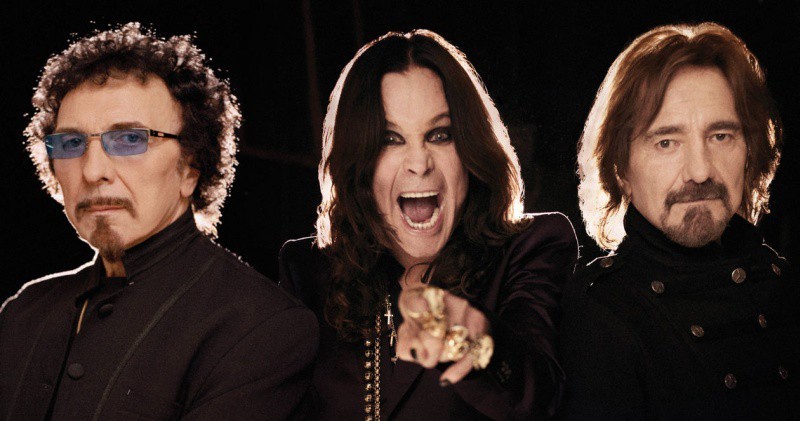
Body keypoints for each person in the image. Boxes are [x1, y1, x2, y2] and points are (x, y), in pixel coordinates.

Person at [0, 23, 317, 420]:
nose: (93, 171)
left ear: (191, 168)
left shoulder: (262, 327)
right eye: (70, 143)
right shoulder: (22, 313)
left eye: (129, 139)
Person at [279, 29, 578, 420]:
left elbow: (540, 396)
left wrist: (474, 345)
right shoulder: (309, 271)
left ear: (469, 149)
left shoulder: (532, 247)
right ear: (359, 160)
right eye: (390, 139)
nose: (419, 163)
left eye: (440, 135)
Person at [561, 22, 800, 419]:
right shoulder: (601, 312)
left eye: (721, 136)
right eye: (666, 142)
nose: (700, 171)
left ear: (749, 151)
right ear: (620, 168)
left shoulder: (784, 283)